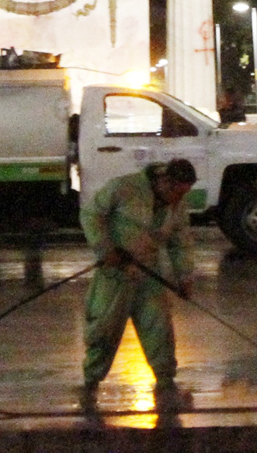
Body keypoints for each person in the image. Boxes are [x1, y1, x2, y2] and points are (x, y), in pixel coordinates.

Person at [80, 158, 198, 409]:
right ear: (164, 181)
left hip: (149, 273)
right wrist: (105, 249)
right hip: (115, 273)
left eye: (184, 194)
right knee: (105, 326)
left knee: (159, 325)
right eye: (177, 191)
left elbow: (180, 241)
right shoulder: (124, 188)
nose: (179, 199)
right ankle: (91, 380)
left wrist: (185, 276)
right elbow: (91, 214)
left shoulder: (176, 206)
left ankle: (165, 379)